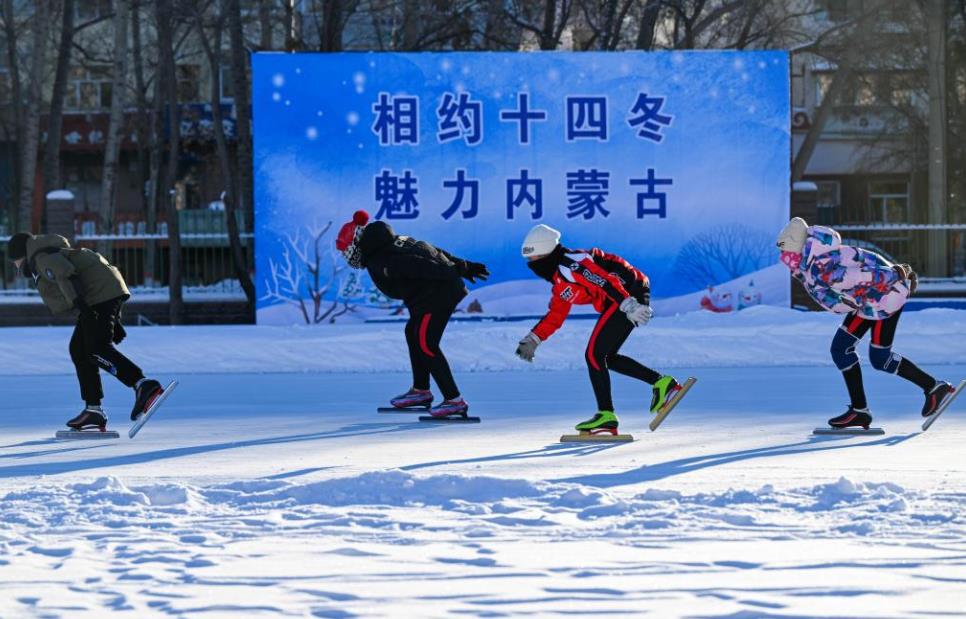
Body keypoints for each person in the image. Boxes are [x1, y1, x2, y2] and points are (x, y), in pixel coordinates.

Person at [776, 217, 956, 429]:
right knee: (841, 349)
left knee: (879, 358)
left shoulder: (822, 266)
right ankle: (859, 411)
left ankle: (933, 387)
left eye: (785, 252)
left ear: (797, 248)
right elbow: (862, 260)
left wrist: (896, 274)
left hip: (884, 299)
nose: (783, 258)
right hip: (867, 302)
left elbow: (867, 274)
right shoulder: (813, 261)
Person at [515, 224, 682, 434]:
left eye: (533, 259)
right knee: (606, 357)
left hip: (626, 293)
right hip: (624, 298)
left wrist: (630, 305)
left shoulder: (572, 264)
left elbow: (604, 281)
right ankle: (662, 383)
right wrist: (533, 339)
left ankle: (606, 414)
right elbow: (556, 315)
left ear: (545, 253)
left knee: (594, 354)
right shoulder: (560, 281)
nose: (532, 266)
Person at [335, 210, 489, 419]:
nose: (348, 258)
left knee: (426, 343)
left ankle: (454, 401)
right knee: (412, 332)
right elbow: (432, 250)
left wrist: (460, 269)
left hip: (438, 294)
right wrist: (463, 265)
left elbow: (424, 264)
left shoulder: (382, 258)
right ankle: (421, 391)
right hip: (429, 294)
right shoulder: (390, 242)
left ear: (357, 244)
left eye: (347, 252)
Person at [6, 232, 165, 432]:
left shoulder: (41, 257)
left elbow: (66, 274)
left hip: (97, 297)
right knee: (79, 349)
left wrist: (85, 308)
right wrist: (112, 319)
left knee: (95, 349)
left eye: (15, 261)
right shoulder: (47, 251)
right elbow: (93, 276)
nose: (16, 266)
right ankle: (93, 410)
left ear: (21, 254)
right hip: (100, 294)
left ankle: (142, 384)